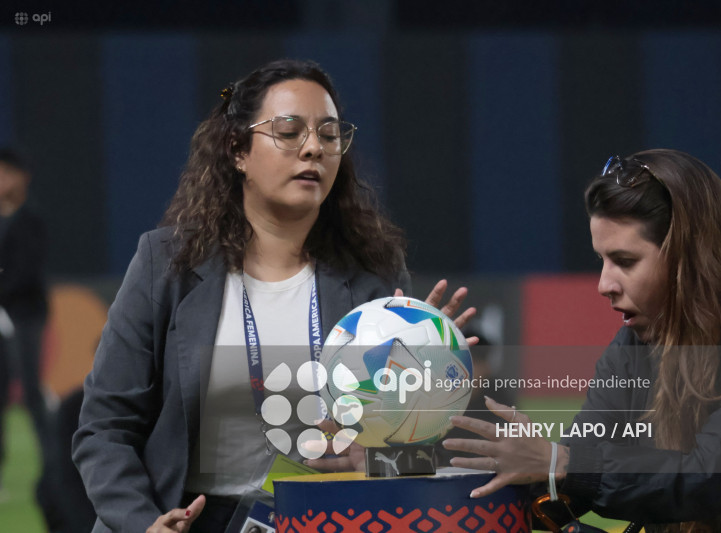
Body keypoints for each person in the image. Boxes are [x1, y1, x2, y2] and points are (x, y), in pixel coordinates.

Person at [73, 59, 476, 533]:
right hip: (179, 520)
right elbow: (104, 428)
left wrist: (424, 404)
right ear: (238, 150)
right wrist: (144, 524)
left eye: (329, 135)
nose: (313, 148)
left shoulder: (375, 278)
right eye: (289, 131)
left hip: (317, 521)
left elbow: (412, 456)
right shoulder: (166, 263)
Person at [443, 149, 721, 531]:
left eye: (625, 261)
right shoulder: (637, 341)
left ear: (692, 258)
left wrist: (558, 464)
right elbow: (577, 466)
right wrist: (412, 423)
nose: (603, 285)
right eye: (601, 260)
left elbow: (712, 474)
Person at [0, 148, 51, 495]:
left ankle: (53, 465)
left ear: (23, 178)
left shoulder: (31, 222)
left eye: (7, 172)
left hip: (24, 317)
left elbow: (25, 271)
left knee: (31, 392)